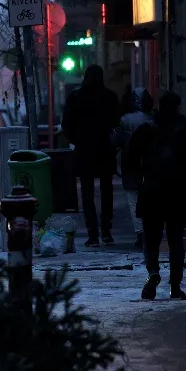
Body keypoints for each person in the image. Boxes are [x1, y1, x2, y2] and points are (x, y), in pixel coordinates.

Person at [126, 91, 186, 300]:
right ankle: (175, 285)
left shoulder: (147, 130)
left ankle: (153, 273)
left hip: (151, 191)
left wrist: (139, 178)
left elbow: (130, 158)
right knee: (176, 240)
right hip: (178, 193)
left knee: (151, 239)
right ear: (178, 107)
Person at [61, 64, 121, 247]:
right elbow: (116, 122)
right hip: (105, 150)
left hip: (85, 150)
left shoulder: (76, 97)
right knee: (106, 190)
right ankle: (106, 231)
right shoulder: (110, 97)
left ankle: (92, 234)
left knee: (87, 193)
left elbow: (66, 125)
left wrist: (77, 140)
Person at [114, 88, 155, 248]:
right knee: (150, 198)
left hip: (130, 161)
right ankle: (150, 229)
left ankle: (140, 232)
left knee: (133, 198)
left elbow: (117, 140)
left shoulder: (124, 119)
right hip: (150, 162)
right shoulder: (153, 119)